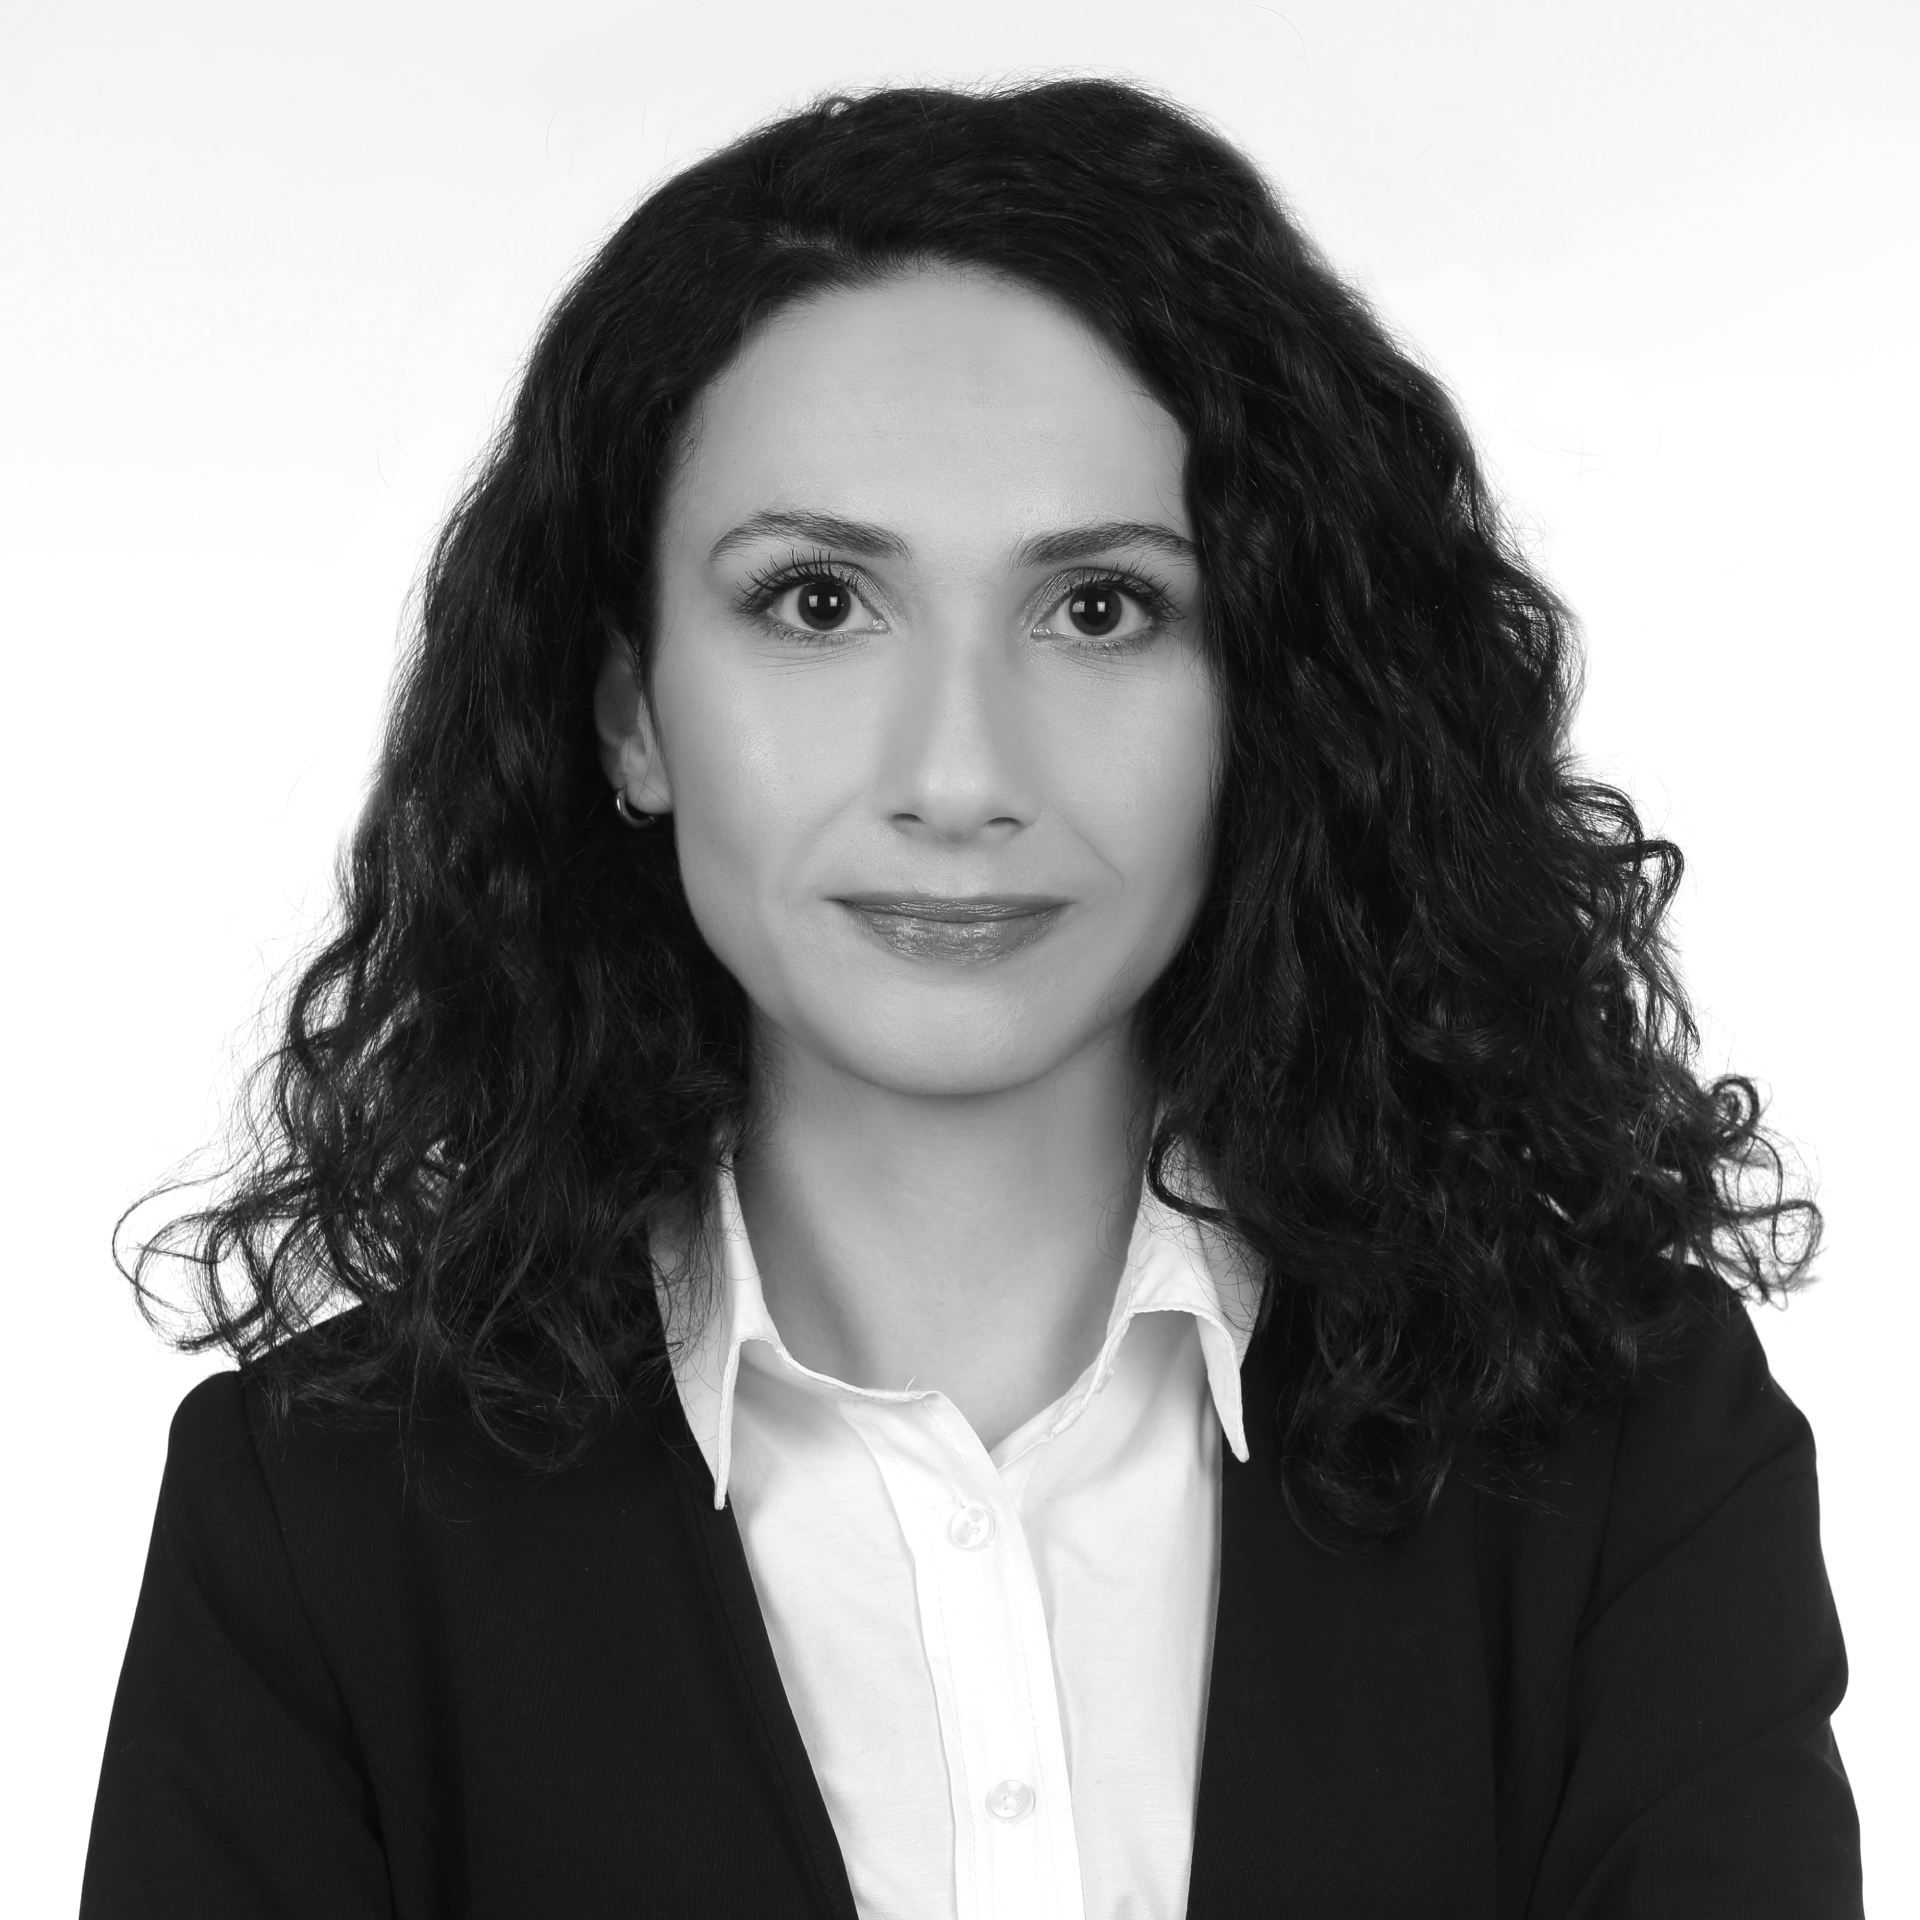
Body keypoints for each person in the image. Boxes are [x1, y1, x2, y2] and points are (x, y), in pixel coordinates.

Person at [82, 78, 1862, 1919]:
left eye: (1099, 610)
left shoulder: (1630, 1451)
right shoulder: (309, 1536)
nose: (956, 777)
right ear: (630, 714)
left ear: (1275, 702)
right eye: (817, 602)